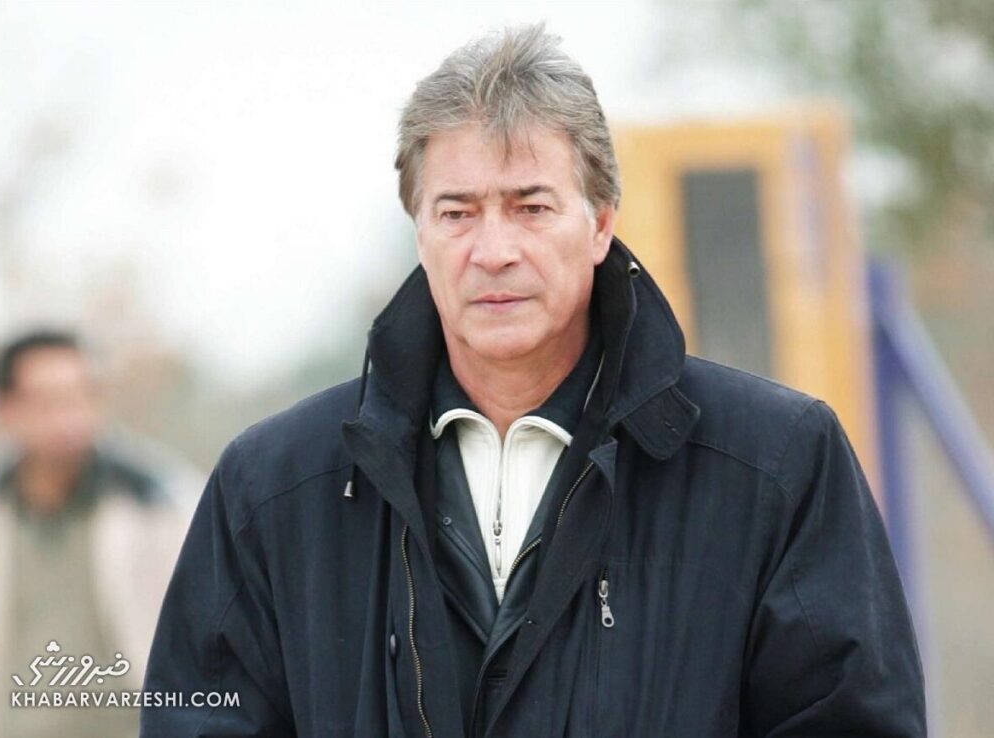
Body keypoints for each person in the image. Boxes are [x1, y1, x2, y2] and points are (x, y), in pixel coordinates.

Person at [141, 24, 926, 737]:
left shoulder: (776, 463)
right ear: (420, 231)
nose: (494, 251)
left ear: (601, 222)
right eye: (457, 213)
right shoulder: (273, 488)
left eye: (530, 207)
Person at [0, 330, 199, 738]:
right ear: (4, 409)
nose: (70, 418)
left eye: (84, 395)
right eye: (48, 401)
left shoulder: (162, 505)